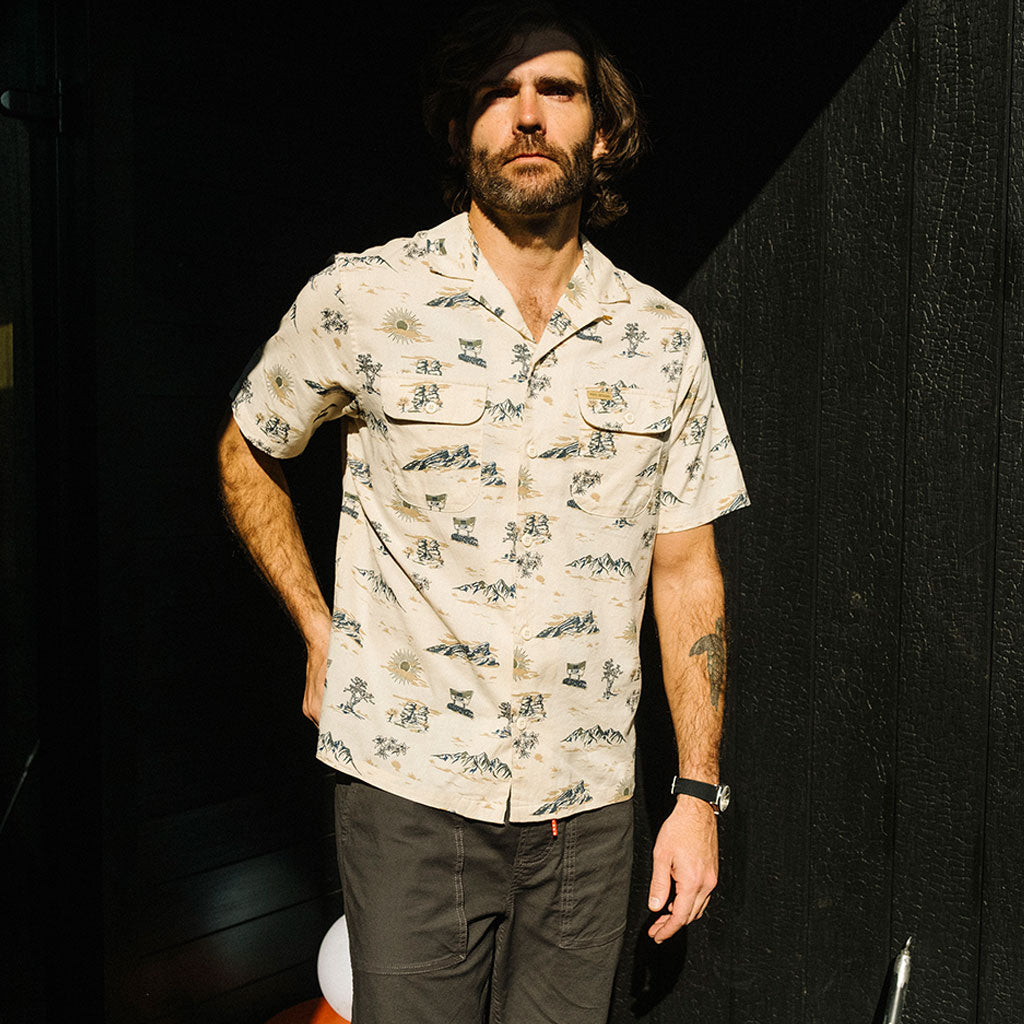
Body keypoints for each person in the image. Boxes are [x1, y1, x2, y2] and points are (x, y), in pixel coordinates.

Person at [218, 4, 748, 1021]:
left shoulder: (661, 338)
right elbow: (249, 445)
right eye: (498, 93)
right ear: (461, 127)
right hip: (408, 798)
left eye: (557, 90)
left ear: (603, 131)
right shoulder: (366, 297)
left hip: (587, 813)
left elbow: (687, 570)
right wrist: (317, 628)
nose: (528, 116)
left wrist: (696, 794)